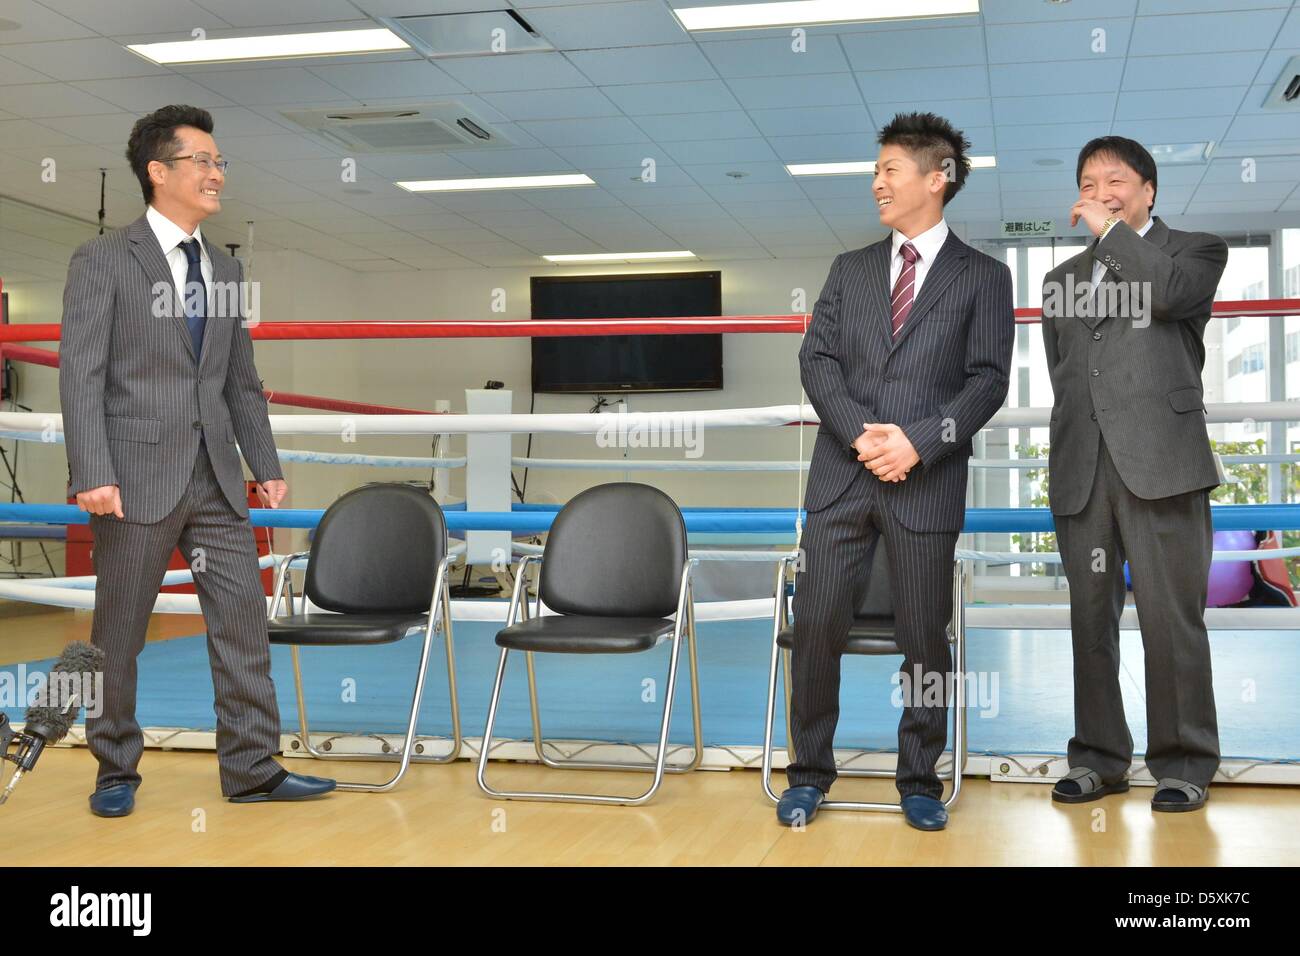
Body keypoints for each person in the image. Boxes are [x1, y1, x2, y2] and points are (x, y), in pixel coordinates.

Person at [59, 104, 335, 817]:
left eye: (220, 163)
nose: (217, 174)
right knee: (117, 636)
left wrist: (264, 462)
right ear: (159, 172)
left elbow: (239, 378)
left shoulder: (225, 265)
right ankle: (113, 770)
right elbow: (80, 373)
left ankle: (252, 766)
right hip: (133, 480)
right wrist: (91, 469)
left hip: (215, 476)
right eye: (203, 162)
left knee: (242, 625)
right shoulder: (102, 258)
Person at [780, 112, 1014, 830]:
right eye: (875, 169)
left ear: (936, 178)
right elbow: (815, 361)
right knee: (816, 624)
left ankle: (919, 779)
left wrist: (916, 443)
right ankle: (808, 773)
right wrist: (862, 438)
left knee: (923, 636)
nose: (876, 181)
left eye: (890, 169)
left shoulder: (986, 277)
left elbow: (986, 381)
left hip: (927, 481)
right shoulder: (848, 270)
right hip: (841, 479)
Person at [1042, 136, 1227, 813]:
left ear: (1149, 190)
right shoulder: (1059, 280)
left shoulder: (1194, 252)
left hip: (1163, 465)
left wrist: (1113, 233)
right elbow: (1068, 371)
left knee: (1169, 621)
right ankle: (1098, 758)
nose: (1099, 188)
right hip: (1083, 470)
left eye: (1114, 178)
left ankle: (1184, 762)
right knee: (1089, 621)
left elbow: (1170, 297)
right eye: (1088, 179)